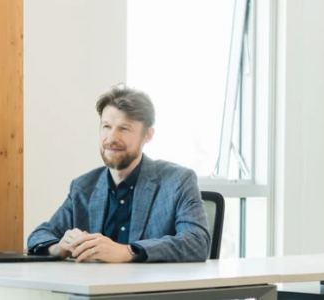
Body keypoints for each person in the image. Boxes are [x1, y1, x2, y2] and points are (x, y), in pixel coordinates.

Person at [27, 85, 211, 263]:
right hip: (95, 290)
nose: (111, 138)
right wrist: (58, 248)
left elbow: (197, 242)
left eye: (124, 128)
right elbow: (38, 236)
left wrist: (128, 251)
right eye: (106, 126)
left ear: (147, 135)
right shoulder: (84, 186)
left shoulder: (178, 180)